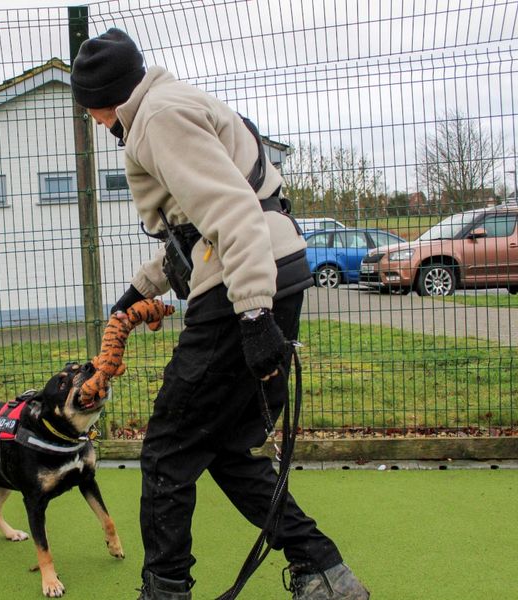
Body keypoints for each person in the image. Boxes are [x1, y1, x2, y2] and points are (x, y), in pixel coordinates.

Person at [70, 29, 370, 600]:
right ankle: (322, 571)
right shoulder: (169, 103)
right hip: (272, 269)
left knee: (167, 448)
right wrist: (139, 290)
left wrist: (253, 315)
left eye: (87, 109)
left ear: (97, 101)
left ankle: (165, 591)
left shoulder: (156, 120)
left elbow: (232, 211)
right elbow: (198, 226)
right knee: (230, 448)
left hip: (242, 285)